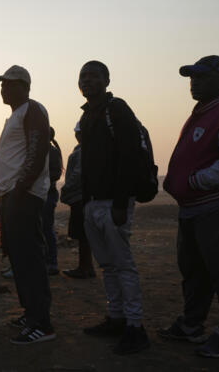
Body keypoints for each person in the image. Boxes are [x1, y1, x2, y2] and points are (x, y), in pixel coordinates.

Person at [159, 55, 219, 358]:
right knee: (194, 269)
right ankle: (192, 324)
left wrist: (196, 181)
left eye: (201, 77)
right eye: (191, 77)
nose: (193, 82)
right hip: (194, 208)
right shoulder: (202, 113)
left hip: (217, 205)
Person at [78, 60, 149, 354]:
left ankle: (135, 327)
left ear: (107, 80)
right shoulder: (87, 117)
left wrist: (121, 202)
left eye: (94, 75)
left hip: (113, 203)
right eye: (83, 76)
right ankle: (117, 317)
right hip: (94, 204)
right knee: (108, 266)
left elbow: (129, 157)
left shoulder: (117, 110)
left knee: (123, 265)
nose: (87, 80)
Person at [0, 65, 55, 345]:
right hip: (12, 195)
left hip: (23, 196)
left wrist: (20, 188)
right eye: (2, 84)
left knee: (29, 259)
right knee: (18, 259)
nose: (4, 89)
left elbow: (38, 150)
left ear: (25, 87)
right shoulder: (16, 115)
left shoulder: (33, 110)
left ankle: (42, 323)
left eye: (10, 84)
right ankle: (31, 313)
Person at [60, 122, 95, 279]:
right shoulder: (82, 149)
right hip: (80, 196)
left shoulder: (84, 151)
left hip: (80, 196)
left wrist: (67, 188)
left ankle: (85, 267)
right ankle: (85, 266)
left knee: (83, 234)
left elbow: (78, 174)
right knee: (83, 234)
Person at [42, 127, 63, 275]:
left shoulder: (52, 152)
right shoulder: (44, 151)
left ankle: (52, 263)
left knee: (47, 229)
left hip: (47, 195)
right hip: (42, 194)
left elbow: (55, 174)